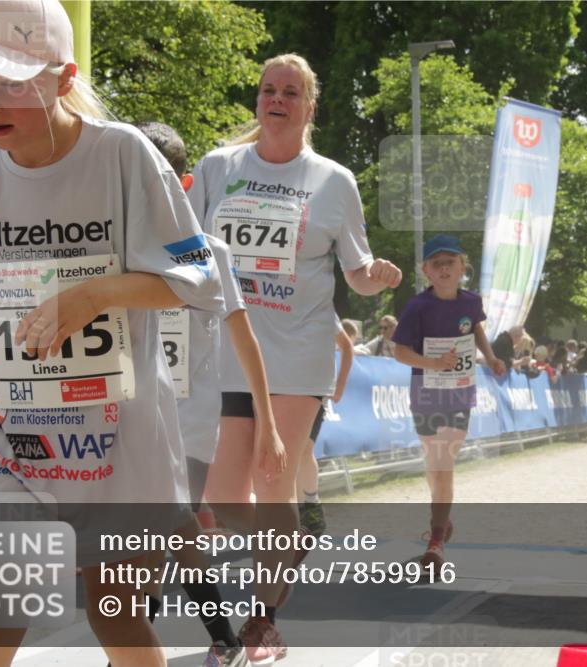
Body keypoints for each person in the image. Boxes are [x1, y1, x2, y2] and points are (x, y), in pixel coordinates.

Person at [0, 2, 223, 666]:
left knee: (121, 625)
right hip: (8, 450)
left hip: (119, 449)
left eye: (11, 82)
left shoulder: (123, 155)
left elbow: (199, 278)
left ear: (62, 76)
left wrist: (98, 292)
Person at [188, 52, 401, 663]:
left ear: (310, 106)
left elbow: (356, 275)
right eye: (266, 90)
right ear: (258, 101)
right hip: (229, 348)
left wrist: (376, 274)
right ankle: (289, 540)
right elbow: (186, 248)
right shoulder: (217, 167)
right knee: (227, 499)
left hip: (300, 350)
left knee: (271, 481)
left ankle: (262, 618)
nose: (275, 100)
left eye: (289, 92)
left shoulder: (333, 181)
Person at [139, 121, 282, 667]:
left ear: (186, 182)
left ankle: (136, 654)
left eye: (160, 180)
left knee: (156, 538)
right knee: (173, 537)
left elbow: (246, 342)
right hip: (130, 418)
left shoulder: (210, 253)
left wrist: (266, 421)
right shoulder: (114, 250)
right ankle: (223, 637)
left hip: (190, 425)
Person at [392, 234, 505, 572]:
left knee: (445, 461)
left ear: (462, 268)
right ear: (426, 270)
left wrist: (491, 357)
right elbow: (399, 352)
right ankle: (439, 514)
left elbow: (476, 329)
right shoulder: (417, 307)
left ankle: (436, 540)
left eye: (450, 263)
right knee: (434, 463)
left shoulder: (471, 302)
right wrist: (432, 364)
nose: (444, 269)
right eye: (436, 264)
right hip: (424, 391)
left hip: (459, 390)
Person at [296, 320, 355, 539]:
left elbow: (346, 345)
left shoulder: (319, 300)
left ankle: (311, 505)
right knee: (290, 455)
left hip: (313, 390)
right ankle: (296, 515)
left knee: (303, 449)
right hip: (278, 387)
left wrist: (339, 387)